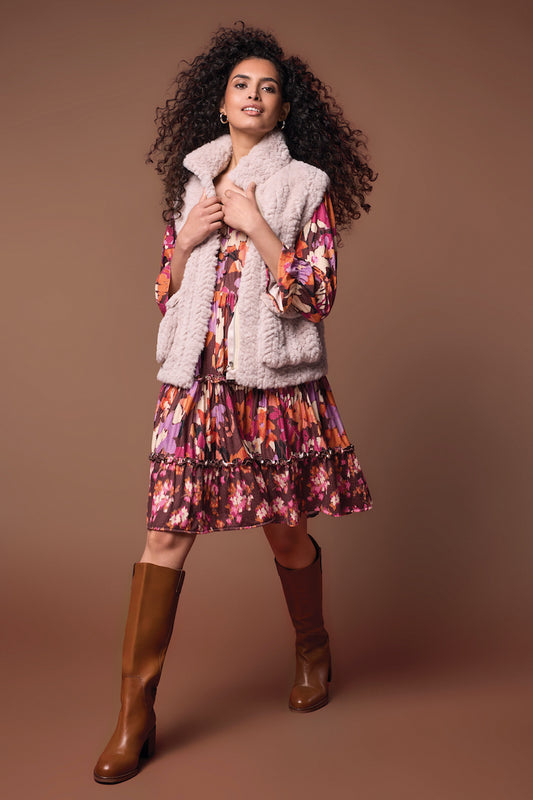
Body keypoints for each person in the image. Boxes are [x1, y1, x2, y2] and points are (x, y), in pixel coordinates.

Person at [93, 23, 376, 784]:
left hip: (270, 392)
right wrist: (186, 242)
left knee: (285, 535)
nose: (253, 96)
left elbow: (314, 294)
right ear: (220, 103)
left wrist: (259, 229)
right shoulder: (191, 185)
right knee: (164, 536)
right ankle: (134, 717)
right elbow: (166, 293)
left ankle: (312, 647)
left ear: (283, 109)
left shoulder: (304, 186)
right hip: (193, 388)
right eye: (241, 85)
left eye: (268, 88)